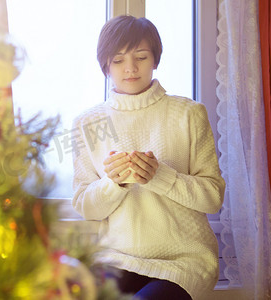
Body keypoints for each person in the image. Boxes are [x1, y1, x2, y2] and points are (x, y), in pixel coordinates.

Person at [71, 15, 225, 300]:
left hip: (184, 262)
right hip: (116, 259)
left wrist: (159, 176)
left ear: (155, 59)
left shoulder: (189, 114)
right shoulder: (88, 123)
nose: (130, 68)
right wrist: (113, 183)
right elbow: (85, 205)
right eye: (118, 60)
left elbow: (213, 198)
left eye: (140, 56)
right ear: (105, 65)